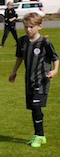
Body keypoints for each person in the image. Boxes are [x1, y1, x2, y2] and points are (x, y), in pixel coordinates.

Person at [8, 12, 59, 148]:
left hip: (42, 80)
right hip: (29, 80)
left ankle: (39, 136)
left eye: (31, 27)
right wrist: (14, 72)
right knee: (33, 108)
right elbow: (20, 57)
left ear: (39, 26)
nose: (28, 29)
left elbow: (55, 58)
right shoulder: (22, 41)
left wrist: (55, 70)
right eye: (26, 27)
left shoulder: (45, 42)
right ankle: (39, 135)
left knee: (36, 106)